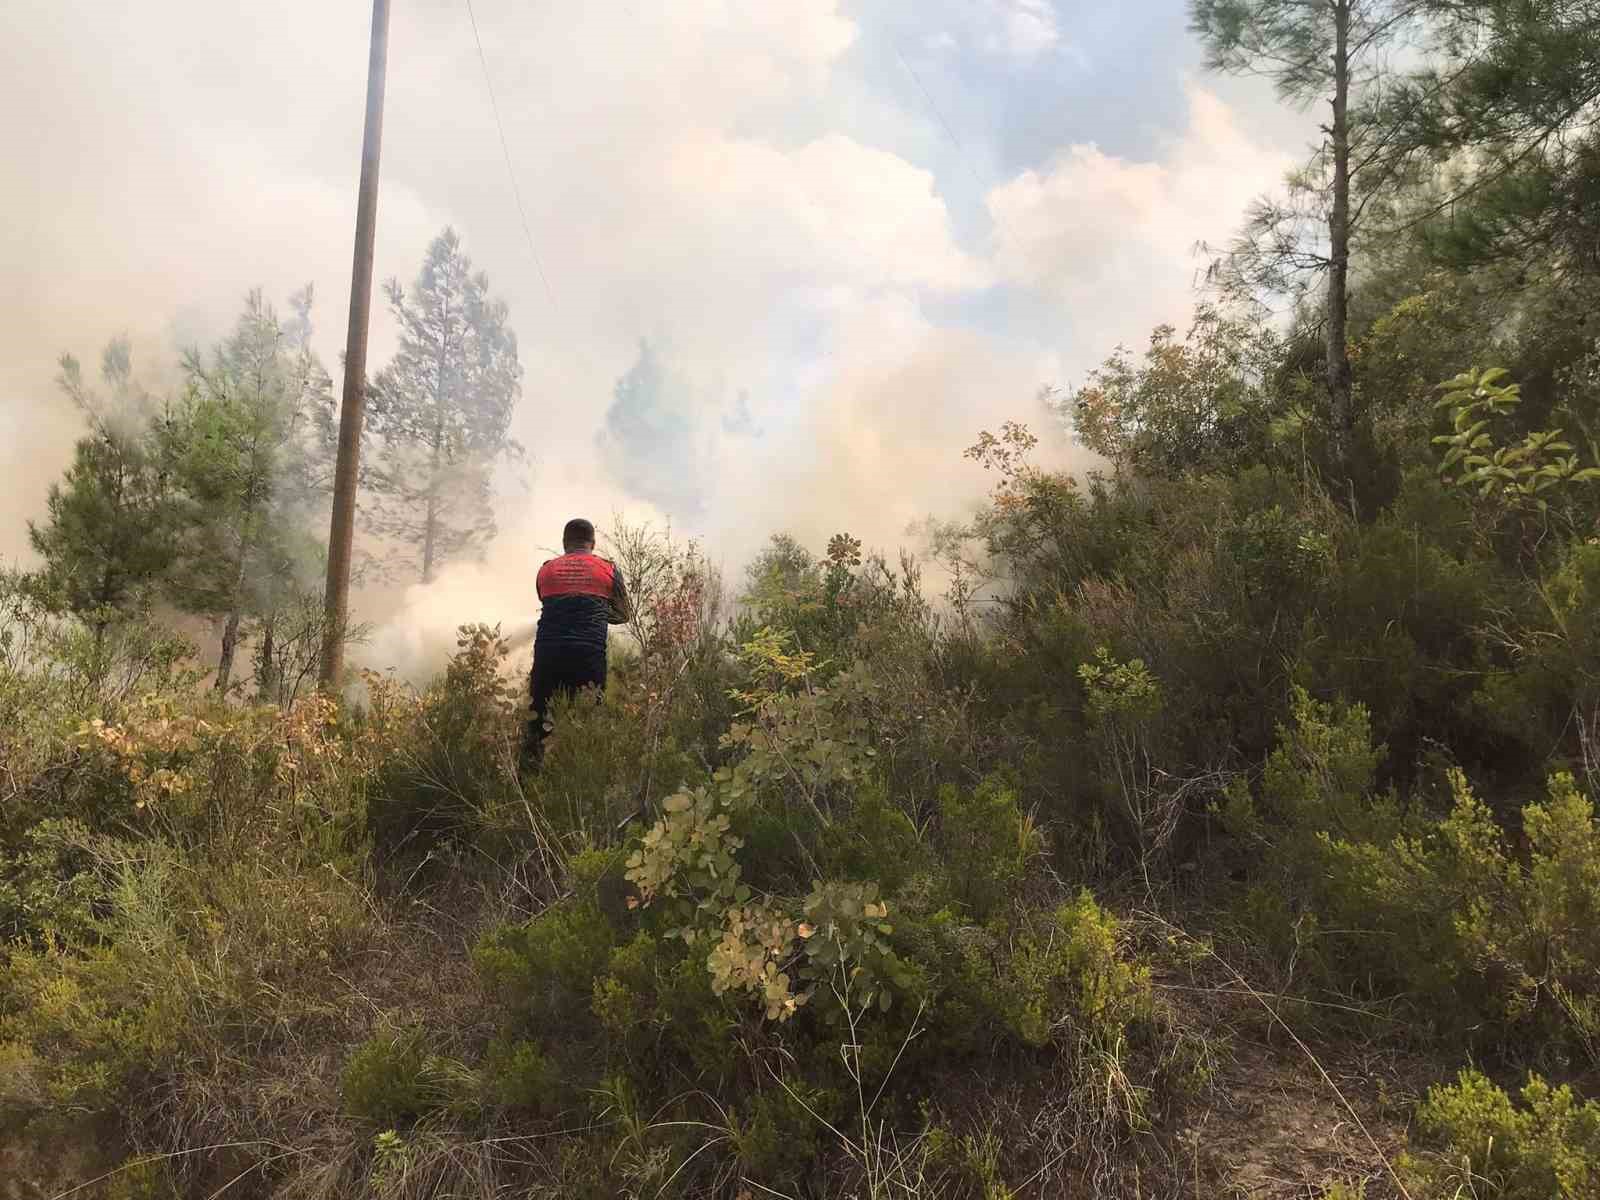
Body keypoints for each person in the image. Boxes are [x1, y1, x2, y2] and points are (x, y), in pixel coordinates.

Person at [520, 518, 631, 771]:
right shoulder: (609, 570)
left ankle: (528, 783)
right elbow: (624, 614)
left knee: (537, 722)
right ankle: (581, 780)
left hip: (548, 656)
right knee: (588, 719)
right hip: (588, 656)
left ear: (564, 543)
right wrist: (599, 614)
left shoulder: (546, 570)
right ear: (592, 543)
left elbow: (545, 598)